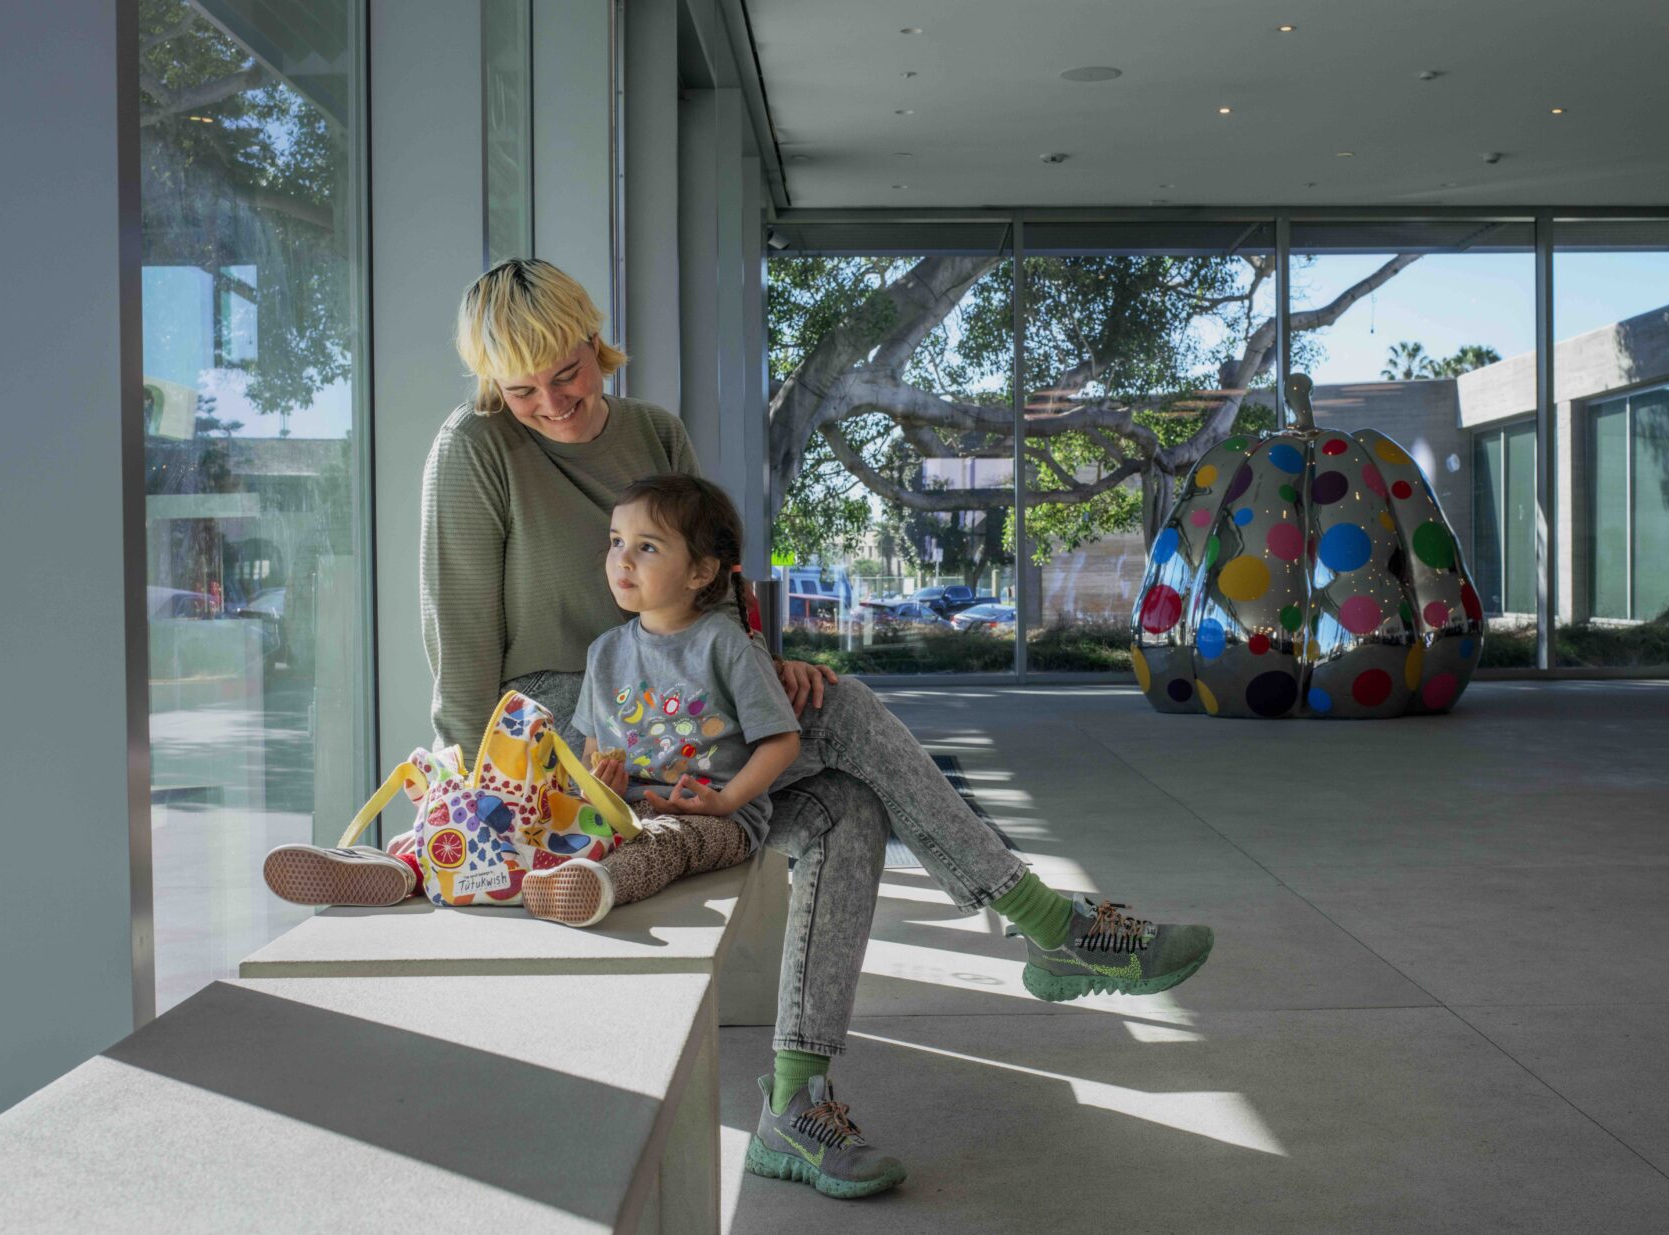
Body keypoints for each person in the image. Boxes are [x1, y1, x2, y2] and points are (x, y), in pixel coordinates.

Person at [262, 259, 1216, 1201]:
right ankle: (1047, 921)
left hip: (689, 696)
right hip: (570, 724)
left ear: (597, 343)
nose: (552, 403)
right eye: (521, 389)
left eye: (568, 372)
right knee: (844, 715)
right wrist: (481, 802)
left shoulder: (654, 431)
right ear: (491, 384)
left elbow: (708, 577)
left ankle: (795, 1106)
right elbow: (461, 636)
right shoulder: (473, 448)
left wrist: (762, 662)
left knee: (844, 803)